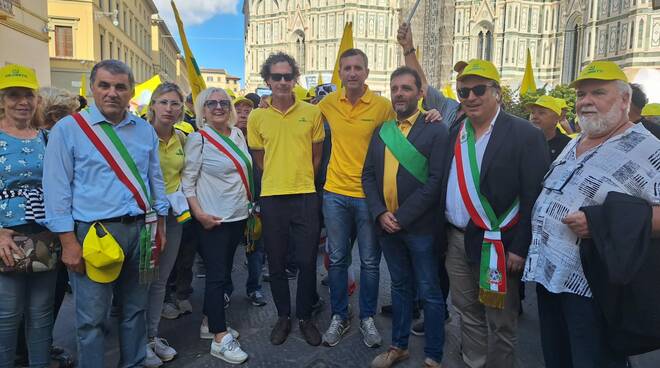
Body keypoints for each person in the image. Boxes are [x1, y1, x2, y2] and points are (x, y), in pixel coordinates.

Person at [523, 61, 660, 368]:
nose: (586, 101)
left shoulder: (649, 149)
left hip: (596, 288)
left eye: (598, 92)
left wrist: (602, 222)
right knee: (558, 359)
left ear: (625, 101)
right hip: (550, 278)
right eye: (582, 94)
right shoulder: (576, 142)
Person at [42, 59, 168, 367]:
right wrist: (68, 243)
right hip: (94, 234)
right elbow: (56, 188)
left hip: (142, 231)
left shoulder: (144, 130)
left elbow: (156, 180)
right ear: (92, 88)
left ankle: (134, 363)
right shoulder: (69, 129)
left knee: (135, 310)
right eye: (105, 85)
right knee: (91, 319)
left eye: (120, 87)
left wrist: (160, 226)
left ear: (131, 92)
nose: (112, 93)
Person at [444, 59, 549, 368]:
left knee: (500, 321)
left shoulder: (525, 134)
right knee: (466, 311)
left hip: (499, 245)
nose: (471, 97)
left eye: (479, 89)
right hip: (456, 240)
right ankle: (475, 362)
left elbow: (535, 197)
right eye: (464, 91)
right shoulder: (455, 130)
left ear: (497, 93)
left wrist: (520, 247)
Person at [362, 66, 449, 368]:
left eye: (406, 88)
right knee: (399, 287)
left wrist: (401, 216)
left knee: (429, 291)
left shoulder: (436, 128)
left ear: (420, 93)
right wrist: (380, 213)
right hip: (387, 226)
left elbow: (436, 181)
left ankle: (434, 355)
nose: (399, 93)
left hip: (421, 227)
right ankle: (398, 346)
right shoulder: (381, 131)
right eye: (395, 88)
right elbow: (369, 176)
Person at [317, 48, 395, 348]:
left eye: (357, 68)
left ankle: (366, 318)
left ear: (366, 71)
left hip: (368, 196)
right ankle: (340, 315)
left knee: (370, 263)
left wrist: (432, 113)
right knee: (336, 260)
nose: (352, 73)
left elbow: (406, 125)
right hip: (335, 193)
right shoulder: (328, 103)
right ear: (340, 71)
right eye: (346, 68)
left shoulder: (381, 106)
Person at [247, 52, 325, 346]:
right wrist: (279, 177)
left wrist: (297, 177)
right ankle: (283, 316)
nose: (282, 82)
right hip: (272, 197)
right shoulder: (257, 115)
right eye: (276, 77)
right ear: (267, 80)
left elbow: (316, 158)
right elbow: (260, 159)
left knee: (307, 262)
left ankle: (304, 316)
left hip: (305, 195)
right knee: (277, 262)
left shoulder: (313, 113)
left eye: (287, 76)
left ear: (295, 79)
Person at [397, 21, 458, 335]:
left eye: (476, 85)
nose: (467, 88)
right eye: (462, 80)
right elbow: (419, 82)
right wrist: (408, 49)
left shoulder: (459, 115)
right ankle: (426, 306)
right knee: (431, 260)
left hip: (466, 209)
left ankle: (440, 311)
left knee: (444, 264)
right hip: (435, 204)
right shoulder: (444, 107)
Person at [0, 64, 57, 368]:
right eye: (13, 95)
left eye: (28, 95)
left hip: (43, 233)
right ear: (2, 100)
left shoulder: (47, 138)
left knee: (41, 313)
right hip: (6, 237)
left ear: (37, 100)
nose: (22, 102)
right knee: (7, 315)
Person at [144, 82, 189, 367]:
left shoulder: (183, 139)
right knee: (141, 281)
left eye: (175, 104)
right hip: (146, 217)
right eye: (164, 102)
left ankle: (151, 337)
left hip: (172, 217)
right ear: (152, 106)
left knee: (160, 281)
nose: (170, 109)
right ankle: (137, 343)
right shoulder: (138, 135)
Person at [230, 96, 267, 307]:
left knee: (256, 250)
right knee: (227, 252)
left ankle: (255, 289)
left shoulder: (260, 137)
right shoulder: (224, 138)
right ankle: (226, 290)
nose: (244, 113)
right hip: (230, 204)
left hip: (256, 204)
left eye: (248, 109)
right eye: (239, 109)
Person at [527, 95, 572, 161]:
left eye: (541, 113)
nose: (534, 117)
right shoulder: (522, 141)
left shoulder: (568, 145)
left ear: (556, 118)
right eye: (532, 112)